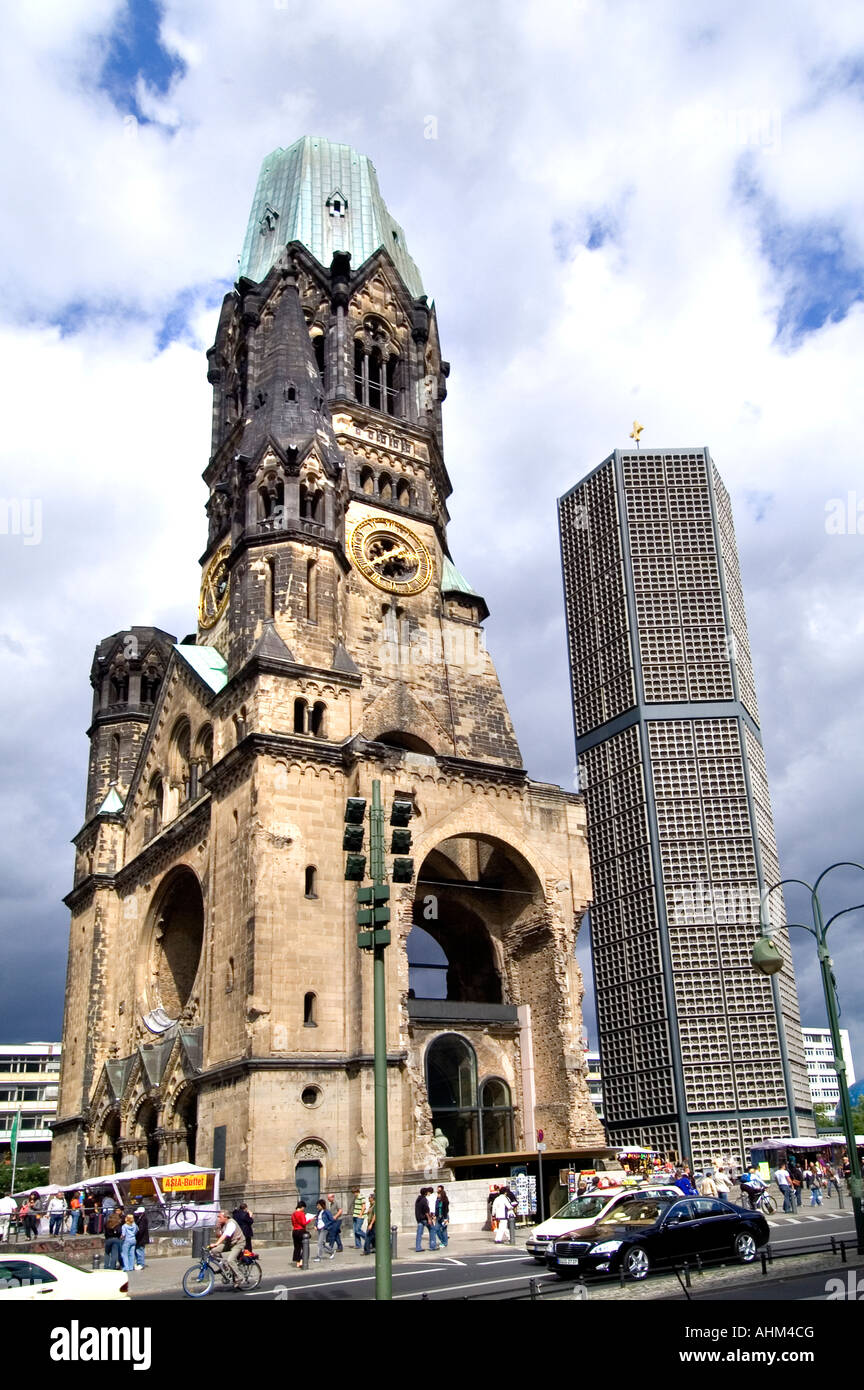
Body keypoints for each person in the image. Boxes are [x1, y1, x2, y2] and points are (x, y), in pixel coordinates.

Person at [208, 1209, 245, 1285]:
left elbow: (225, 1235)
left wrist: (216, 1244)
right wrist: (218, 1228)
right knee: (213, 1251)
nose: (218, 1218)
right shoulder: (223, 1224)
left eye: (220, 1217)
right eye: (218, 1217)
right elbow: (219, 1236)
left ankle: (240, 1277)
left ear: (226, 1217)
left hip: (238, 1243)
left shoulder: (231, 1223)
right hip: (229, 1243)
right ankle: (224, 1268)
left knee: (230, 1260)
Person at [415, 1187, 437, 1251]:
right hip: (425, 1219)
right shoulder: (424, 1200)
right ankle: (432, 1246)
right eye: (427, 1192)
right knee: (432, 1229)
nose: (428, 1193)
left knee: (419, 1233)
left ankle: (418, 1247)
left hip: (419, 1219)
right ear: (425, 1193)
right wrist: (429, 1219)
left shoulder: (418, 1199)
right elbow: (426, 1211)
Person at [291, 1201, 308, 1267]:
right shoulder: (301, 1213)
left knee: (297, 1247)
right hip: (301, 1231)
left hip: (295, 1231)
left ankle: (297, 1263)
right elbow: (304, 1223)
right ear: (302, 1207)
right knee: (304, 1247)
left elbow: (293, 1223)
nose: (304, 1209)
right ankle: (301, 1260)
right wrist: (309, 1219)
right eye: (304, 1208)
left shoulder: (293, 1214)